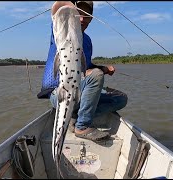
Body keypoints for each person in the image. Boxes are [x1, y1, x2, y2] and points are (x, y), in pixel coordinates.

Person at [38, 1, 128, 142]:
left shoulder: (86, 41)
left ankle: (76, 117)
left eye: (86, 15)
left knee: (121, 99)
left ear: (91, 19)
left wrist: (105, 69)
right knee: (96, 76)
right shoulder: (62, 28)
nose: (81, 19)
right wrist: (69, 6)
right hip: (59, 93)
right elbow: (57, 7)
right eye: (78, 13)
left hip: (77, 92)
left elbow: (86, 68)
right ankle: (82, 126)